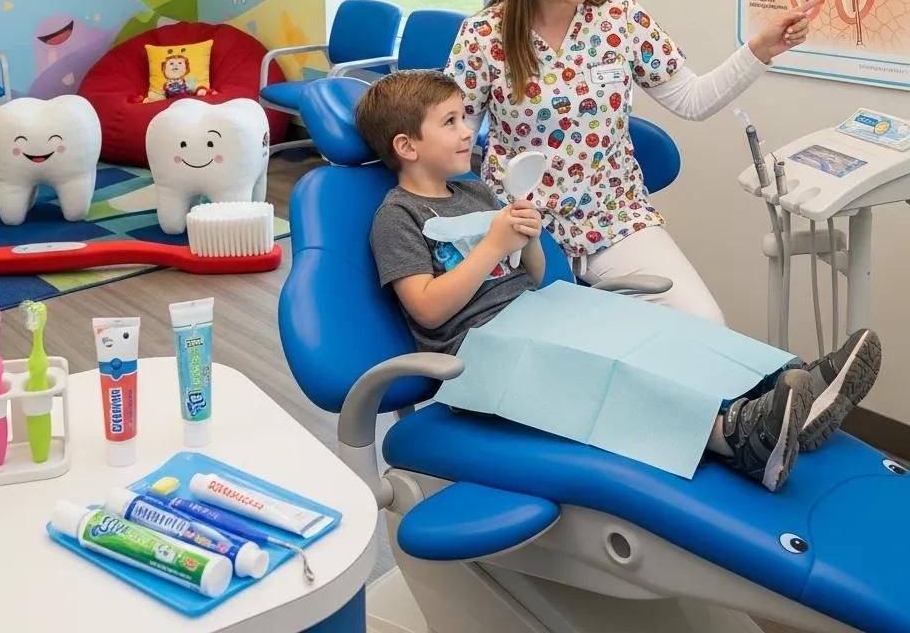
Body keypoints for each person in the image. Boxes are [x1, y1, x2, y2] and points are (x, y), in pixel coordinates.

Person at [355, 69, 881, 491]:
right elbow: (426, 309)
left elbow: (532, 276)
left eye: (464, 117)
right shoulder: (397, 216)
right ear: (407, 145)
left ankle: (789, 386)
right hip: (479, 348)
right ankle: (739, 440)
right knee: (614, 371)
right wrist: (492, 244)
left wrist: (526, 238)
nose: (469, 130)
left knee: (658, 330)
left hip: (536, 309)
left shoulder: (474, 193)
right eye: (450, 122)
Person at [444, 0, 826, 325]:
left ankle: (762, 395)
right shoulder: (483, 36)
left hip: (614, 215)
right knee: (548, 347)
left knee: (703, 322)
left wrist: (759, 49)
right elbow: (453, 139)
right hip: (521, 224)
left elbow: (692, 99)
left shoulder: (620, 19)